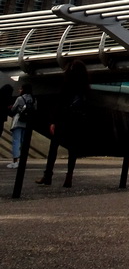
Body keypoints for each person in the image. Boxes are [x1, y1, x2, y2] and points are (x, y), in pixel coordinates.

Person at [36, 59, 91, 188]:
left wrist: (53, 121)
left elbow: (60, 104)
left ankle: (48, 175)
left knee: (53, 147)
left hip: (63, 120)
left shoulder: (67, 85)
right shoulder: (85, 88)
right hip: (77, 121)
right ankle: (69, 177)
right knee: (73, 149)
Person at [7, 80, 36, 169]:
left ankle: (15, 162)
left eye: (21, 89)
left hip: (18, 122)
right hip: (28, 123)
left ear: (23, 89)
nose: (19, 90)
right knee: (24, 142)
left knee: (16, 141)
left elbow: (13, 109)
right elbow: (35, 110)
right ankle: (23, 161)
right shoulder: (34, 99)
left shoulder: (20, 99)